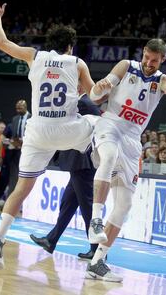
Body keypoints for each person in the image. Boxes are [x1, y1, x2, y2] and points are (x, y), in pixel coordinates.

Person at [0, 0, 101, 270]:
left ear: (51, 44)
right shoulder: (77, 62)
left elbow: (1, 43)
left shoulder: (35, 56)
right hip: (68, 129)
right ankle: (114, 172)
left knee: (21, 189)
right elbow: (94, 94)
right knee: (100, 124)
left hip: (38, 131)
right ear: (70, 46)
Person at [86, 38, 166, 282]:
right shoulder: (126, 65)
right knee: (108, 156)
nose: (149, 63)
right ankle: (95, 219)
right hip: (110, 125)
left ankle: (97, 262)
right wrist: (102, 86)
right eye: (147, 58)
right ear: (143, 53)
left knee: (124, 206)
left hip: (132, 139)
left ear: (162, 59)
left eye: (155, 60)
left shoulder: (161, 79)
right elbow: (102, 89)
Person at [30, 86, 101, 260]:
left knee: (88, 208)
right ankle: (51, 240)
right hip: (78, 162)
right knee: (67, 205)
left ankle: (98, 250)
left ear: (79, 85)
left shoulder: (84, 103)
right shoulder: (84, 102)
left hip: (82, 162)